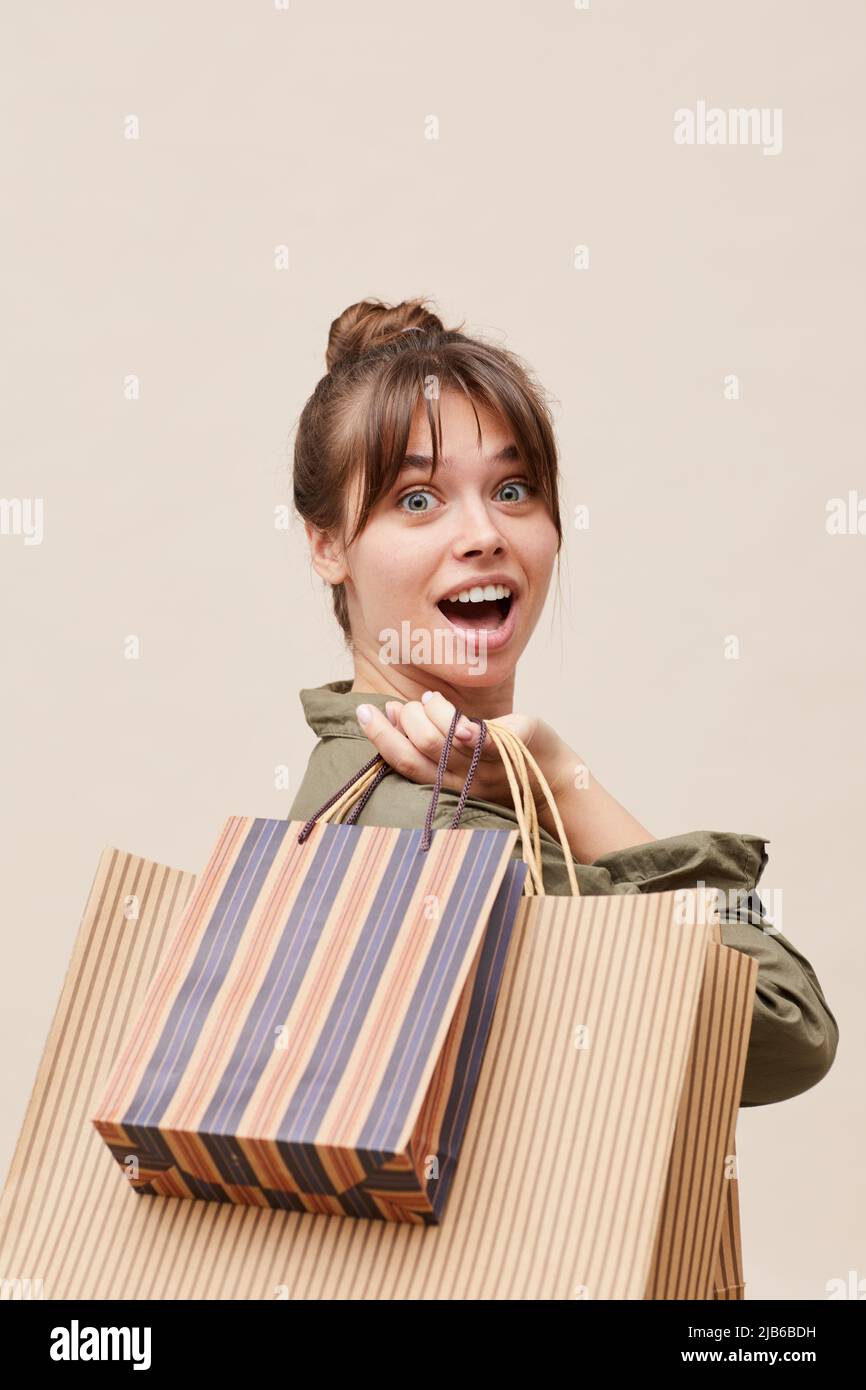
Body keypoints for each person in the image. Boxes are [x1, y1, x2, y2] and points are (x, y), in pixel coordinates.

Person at [288, 295, 839, 1109]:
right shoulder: (452, 837)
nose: (484, 534)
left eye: (513, 490)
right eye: (417, 500)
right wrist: (559, 773)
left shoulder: (348, 785)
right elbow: (784, 1025)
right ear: (327, 543)